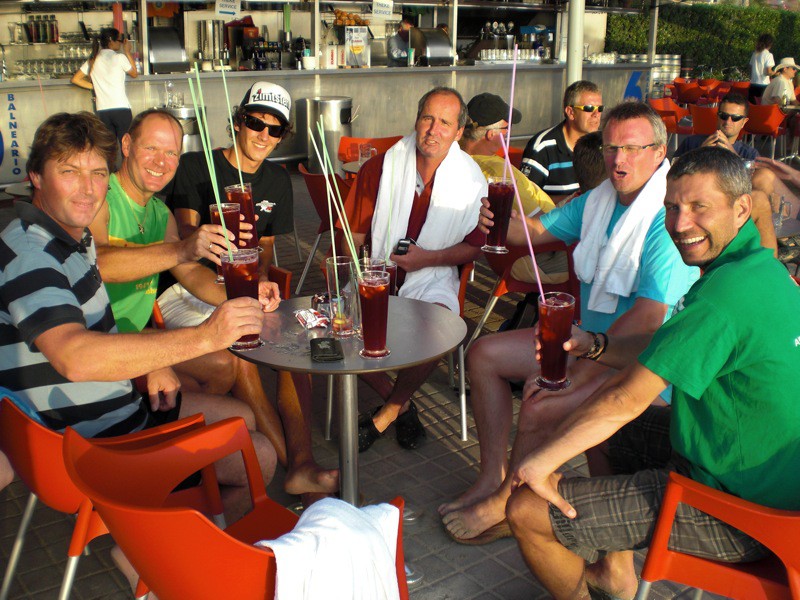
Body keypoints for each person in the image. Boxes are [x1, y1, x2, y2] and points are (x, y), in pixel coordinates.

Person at [505, 146, 800, 600]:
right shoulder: (759, 267)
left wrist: (538, 465)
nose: (680, 224)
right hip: (760, 476)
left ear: (740, 208)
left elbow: (626, 398)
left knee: (525, 510)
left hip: (747, 515)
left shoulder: (723, 298)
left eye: (699, 207)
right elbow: (673, 348)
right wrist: (597, 344)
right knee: (596, 428)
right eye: (672, 207)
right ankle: (615, 574)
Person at [440, 102, 699, 543]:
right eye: (612, 147)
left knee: (541, 401)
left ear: (660, 152)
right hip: (584, 343)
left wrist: (582, 362)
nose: (618, 159)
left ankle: (505, 504)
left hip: (640, 360)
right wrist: (499, 221)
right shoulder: (599, 200)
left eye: (632, 149)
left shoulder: (665, 217)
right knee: (483, 354)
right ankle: (492, 479)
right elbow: (536, 231)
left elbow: (648, 317)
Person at [0, 111, 276, 519]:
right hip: (95, 446)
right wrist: (205, 335)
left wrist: (240, 300)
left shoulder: (70, 238)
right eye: (69, 172)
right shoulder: (32, 253)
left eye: (97, 173)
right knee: (260, 457)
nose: (88, 188)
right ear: (36, 177)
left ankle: (165, 528)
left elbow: (114, 316)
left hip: (110, 404)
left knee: (242, 415)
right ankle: (151, 537)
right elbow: (76, 357)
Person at [92, 105, 337, 499]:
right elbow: (98, 263)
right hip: (102, 346)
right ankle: (168, 460)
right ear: (126, 145)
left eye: (171, 153)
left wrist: (245, 296)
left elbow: (190, 273)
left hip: (138, 336)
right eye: (151, 148)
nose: (161, 162)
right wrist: (181, 250)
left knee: (235, 371)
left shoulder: (159, 213)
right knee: (229, 364)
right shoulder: (100, 197)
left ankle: (256, 468)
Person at [341, 86, 487, 452]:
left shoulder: (472, 181)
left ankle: (388, 412)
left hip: (432, 276)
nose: (433, 130)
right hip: (375, 274)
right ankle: (403, 405)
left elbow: (474, 247)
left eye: (445, 123)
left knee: (440, 328)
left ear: (459, 131)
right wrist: (360, 273)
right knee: (340, 330)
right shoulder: (381, 167)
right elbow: (351, 236)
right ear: (416, 120)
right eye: (428, 119)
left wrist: (427, 259)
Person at [459, 93, 568, 286]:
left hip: (508, 258)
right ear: (491, 134)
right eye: (506, 128)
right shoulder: (499, 174)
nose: (508, 134)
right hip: (537, 256)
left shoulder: (458, 161)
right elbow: (541, 224)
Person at [675, 93, 777, 254]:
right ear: (717, 116)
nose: (728, 122)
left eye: (735, 118)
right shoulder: (693, 143)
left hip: (730, 214)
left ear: (744, 122)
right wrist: (700, 153)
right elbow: (671, 174)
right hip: (693, 209)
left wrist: (734, 157)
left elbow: (753, 188)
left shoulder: (748, 154)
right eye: (723, 116)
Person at [520, 80, 603, 201]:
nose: (596, 114)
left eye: (600, 108)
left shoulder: (605, 145)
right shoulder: (542, 147)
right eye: (589, 108)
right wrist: (575, 202)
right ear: (570, 112)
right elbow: (525, 198)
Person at [71, 28, 138, 147]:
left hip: (102, 110)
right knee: (126, 146)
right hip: (121, 108)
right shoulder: (119, 57)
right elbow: (134, 74)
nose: (121, 43)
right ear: (111, 41)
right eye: (119, 40)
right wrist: (127, 52)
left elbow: (76, 79)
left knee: (108, 148)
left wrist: (95, 86)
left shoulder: (93, 60)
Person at [749, 33, 776, 103]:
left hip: (753, 84)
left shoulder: (755, 53)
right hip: (763, 85)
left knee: (752, 106)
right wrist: (775, 73)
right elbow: (768, 72)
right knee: (763, 106)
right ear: (770, 44)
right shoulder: (768, 55)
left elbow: (750, 68)